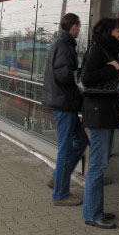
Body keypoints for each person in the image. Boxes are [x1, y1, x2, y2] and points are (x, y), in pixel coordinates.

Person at [81, 17, 119, 229]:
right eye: (118, 31)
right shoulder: (98, 49)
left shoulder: (105, 49)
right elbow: (87, 78)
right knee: (98, 165)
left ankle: (96, 209)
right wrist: (113, 68)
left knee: (101, 164)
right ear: (108, 31)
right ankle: (92, 214)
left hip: (105, 112)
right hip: (99, 113)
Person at [41, 13, 88, 207]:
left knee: (81, 141)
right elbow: (63, 75)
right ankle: (60, 193)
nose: (79, 30)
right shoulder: (65, 47)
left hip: (63, 102)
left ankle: (57, 178)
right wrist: (80, 76)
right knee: (66, 147)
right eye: (79, 27)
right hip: (64, 104)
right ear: (74, 27)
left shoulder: (61, 43)